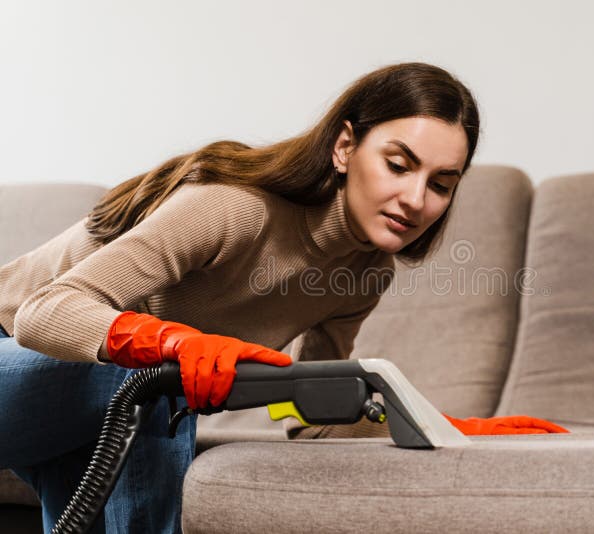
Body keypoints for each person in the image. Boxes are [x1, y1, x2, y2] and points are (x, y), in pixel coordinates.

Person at [0, 61, 564, 533]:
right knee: (155, 379)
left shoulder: (366, 271)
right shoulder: (232, 206)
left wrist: (440, 428)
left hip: (103, 407)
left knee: (154, 387)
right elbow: (46, 312)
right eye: (398, 164)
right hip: (21, 352)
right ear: (345, 147)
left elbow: (312, 416)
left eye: (441, 184)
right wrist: (171, 342)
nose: (416, 199)